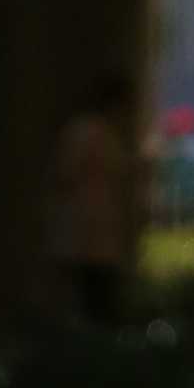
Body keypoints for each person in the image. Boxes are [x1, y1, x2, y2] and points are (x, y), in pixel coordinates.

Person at [47, 68, 136, 325]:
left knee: (94, 292)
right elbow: (66, 174)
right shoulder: (89, 133)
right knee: (91, 294)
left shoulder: (99, 133)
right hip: (85, 228)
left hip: (93, 229)